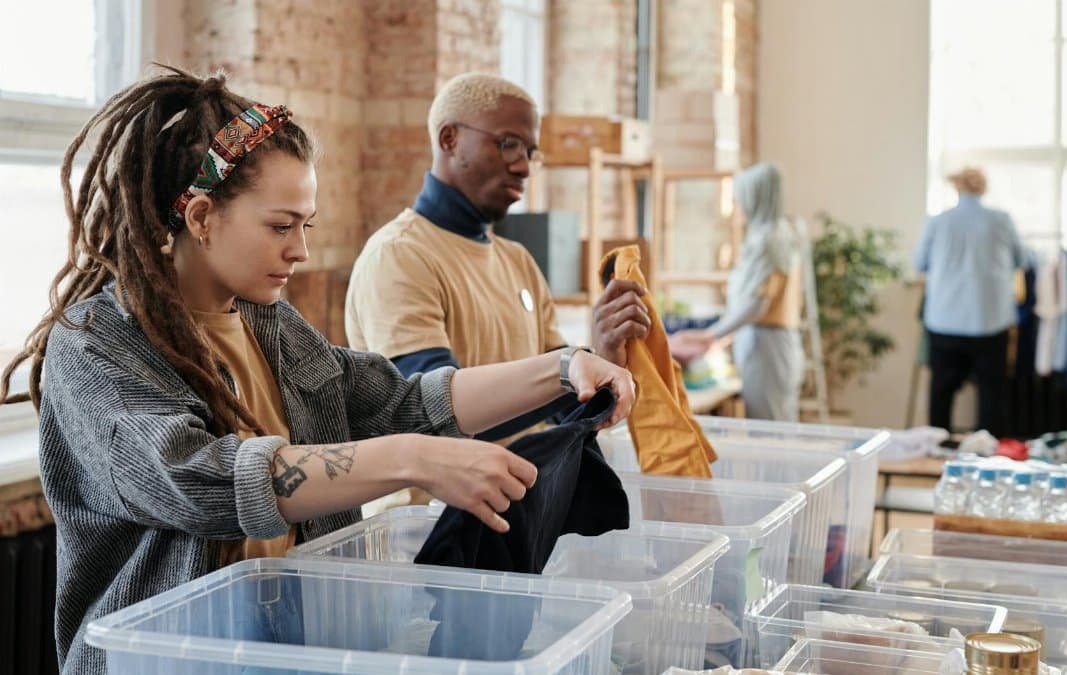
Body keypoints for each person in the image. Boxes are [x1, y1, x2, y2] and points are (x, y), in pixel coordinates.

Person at [0, 67, 635, 674]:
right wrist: (414, 459)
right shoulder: (95, 346)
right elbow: (198, 478)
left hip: (293, 651)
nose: (300, 250)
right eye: (280, 226)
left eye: (305, 225)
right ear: (199, 217)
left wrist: (561, 368)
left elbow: (398, 401)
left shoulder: (267, 321)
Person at [345, 73, 651, 440]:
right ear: (450, 139)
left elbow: (567, 410)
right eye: (509, 144)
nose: (523, 167)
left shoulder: (518, 261)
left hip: (516, 494)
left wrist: (603, 356)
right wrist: (566, 368)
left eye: (530, 153)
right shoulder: (399, 256)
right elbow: (433, 417)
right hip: (428, 499)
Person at [668, 163, 805, 421]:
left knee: (770, 429)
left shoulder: (768, 240)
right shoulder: (781, 233)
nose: (738, 207)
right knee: (778, 424)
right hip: (773, 343)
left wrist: (710, 334)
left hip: (767, 346)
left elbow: (757, 304)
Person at [913, 166, 1026, 435]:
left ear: (957, 187)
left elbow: (919, 262)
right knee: (991, 395)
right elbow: (1020, 260)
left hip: (944, 319)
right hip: (989, 321)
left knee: (941, 392)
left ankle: (936, 452)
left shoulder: (938, 222)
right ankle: (991, 459)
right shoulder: (1001, 220)